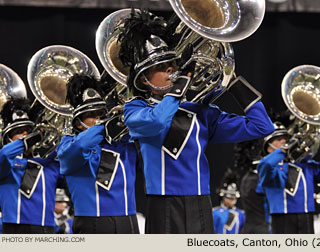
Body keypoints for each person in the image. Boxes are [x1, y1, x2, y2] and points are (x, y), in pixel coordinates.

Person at [118, 9, 274, 233]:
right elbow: (158, 122)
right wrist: (181, 86)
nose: (170, 69)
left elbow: (261, 126)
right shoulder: (135, 109)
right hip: (163, 205)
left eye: (171, 64)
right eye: (160, 67)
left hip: (201, 203)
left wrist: (233, 82)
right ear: (144, 78)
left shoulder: (200, 112)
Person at [56, 74, 139, 234]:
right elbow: (79, 147)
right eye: (91, 115)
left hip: (129, 222)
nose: (98, 119)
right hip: (93, 225)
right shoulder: (68, 145)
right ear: (78, 123)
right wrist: (104, 126)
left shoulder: (121, 143)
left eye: (102, 114)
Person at [257, 121, 320, 234]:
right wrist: (285, 149)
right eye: (279, 139)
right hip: (282, 220)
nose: (285, 141)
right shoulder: (269, 169)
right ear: (269, 148)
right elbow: (266, 164)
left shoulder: (307, 166)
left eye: (286, 138)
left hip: (307, 219)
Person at [0, 98, 61, 233]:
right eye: (19, 131)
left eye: (29, 130)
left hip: (47, 229)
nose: (26, 134)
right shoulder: (5, 163)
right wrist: (29, 140)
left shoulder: (49, 164)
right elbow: (4, 154)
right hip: (15, 229)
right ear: (7, 138)